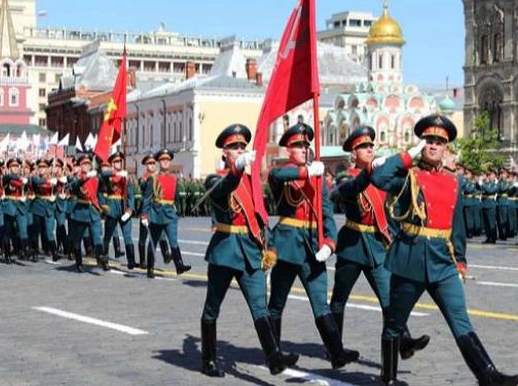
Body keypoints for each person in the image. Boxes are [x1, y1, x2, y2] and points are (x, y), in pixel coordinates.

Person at [370, 114, 518, 386]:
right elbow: (378, 178)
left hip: (443, 262)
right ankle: (389, 378)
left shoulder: (455, 183)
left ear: (446, 148)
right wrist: (406, 156)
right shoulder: (408, 176)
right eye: (429, 140)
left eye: (439, 142)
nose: (433, 145)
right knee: (395, 323)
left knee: (461, 321)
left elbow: (458, 227)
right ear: (422, 143)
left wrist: (461, 262)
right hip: (410, 259)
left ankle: (488, 376)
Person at [200, 124, 294, 377]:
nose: (240, 150)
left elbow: (261, 216)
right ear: (225, 153)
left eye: (242, 146)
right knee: (212, 308)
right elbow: (224, 189)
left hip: (251, 250)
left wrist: (270, 244)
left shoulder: (252, 183)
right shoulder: (215, 179)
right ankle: (208, 359)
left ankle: (273, 357)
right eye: (234, 147)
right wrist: (237, 169)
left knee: (259, 307)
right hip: (225, 250)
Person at [330, 125, 429, 361]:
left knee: (389, 300)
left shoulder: (381, 176)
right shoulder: (349, 176)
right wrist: (368, 172)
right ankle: (334, 348)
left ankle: (403, 341)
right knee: (339, 300)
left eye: (370, 145)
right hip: (353, 246)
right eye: (362, 147)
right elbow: (351, 189)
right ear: (353, 154)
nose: (369, 149)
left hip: (377, 245)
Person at [266, 123, 359, 369]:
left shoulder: (319, 181)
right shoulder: (283, 174)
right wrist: (307, 173)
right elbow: (276, 177)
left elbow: (327, 214)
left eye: (307, 145)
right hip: (286, 246)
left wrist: (330, 242)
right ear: (288, 150)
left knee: (320, 302)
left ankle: (336, 353)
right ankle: (274, 355)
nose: (304, 149)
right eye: (298, 145)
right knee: (277, 302)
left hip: (312, 247)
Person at [140, 149, 191, 278]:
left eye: (167, 160)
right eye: (163, 160)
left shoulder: (174, 178)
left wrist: (179, 211)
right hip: (156, 213)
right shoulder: (153, 178)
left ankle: (179, 265)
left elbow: (177, 196)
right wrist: (144, 215)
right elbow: (147, 197)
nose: (165, 162)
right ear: (159, 162)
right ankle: (150, 268)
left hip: (170, 213)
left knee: (173, 241)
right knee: (153, 242)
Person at [100, 152, 136, 268]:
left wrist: (130, 208)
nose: (118, 163)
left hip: (123, 206)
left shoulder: (125, 177)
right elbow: (101, 174)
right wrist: (115, 172)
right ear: (111, 164)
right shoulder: (108, 175)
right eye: (115, 161)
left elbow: (131, 195)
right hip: (112, 207)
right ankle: (104, 259)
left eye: (120, 161)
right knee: (108, 235)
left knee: (127, 235)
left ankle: (131, 260)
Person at [69, 154, 104, 272]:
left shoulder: (95, 177)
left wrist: (102, 205)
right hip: (80, 211)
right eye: (84, 164)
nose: (86, 166)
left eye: (88, 164)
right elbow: (73, 186)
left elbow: (100, 192)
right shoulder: (76, 177)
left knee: (97, 237)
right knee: (77, 240)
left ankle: (100, 257)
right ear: (80, 166)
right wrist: (84, 178)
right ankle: (79, 263)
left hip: (93, 210)